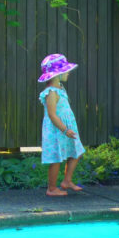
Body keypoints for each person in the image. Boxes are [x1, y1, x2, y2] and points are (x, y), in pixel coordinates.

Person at [38, 53, 85, 196]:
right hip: (56, 130)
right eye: (65, 71)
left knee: (76, 151)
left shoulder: (60, 89)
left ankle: (67, 181)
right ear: (56, 75)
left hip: (66, 129)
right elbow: (52, 115)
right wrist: (65, 129)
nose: (68, 72)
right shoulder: (51, 92)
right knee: (56, 158)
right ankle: (51, 188)